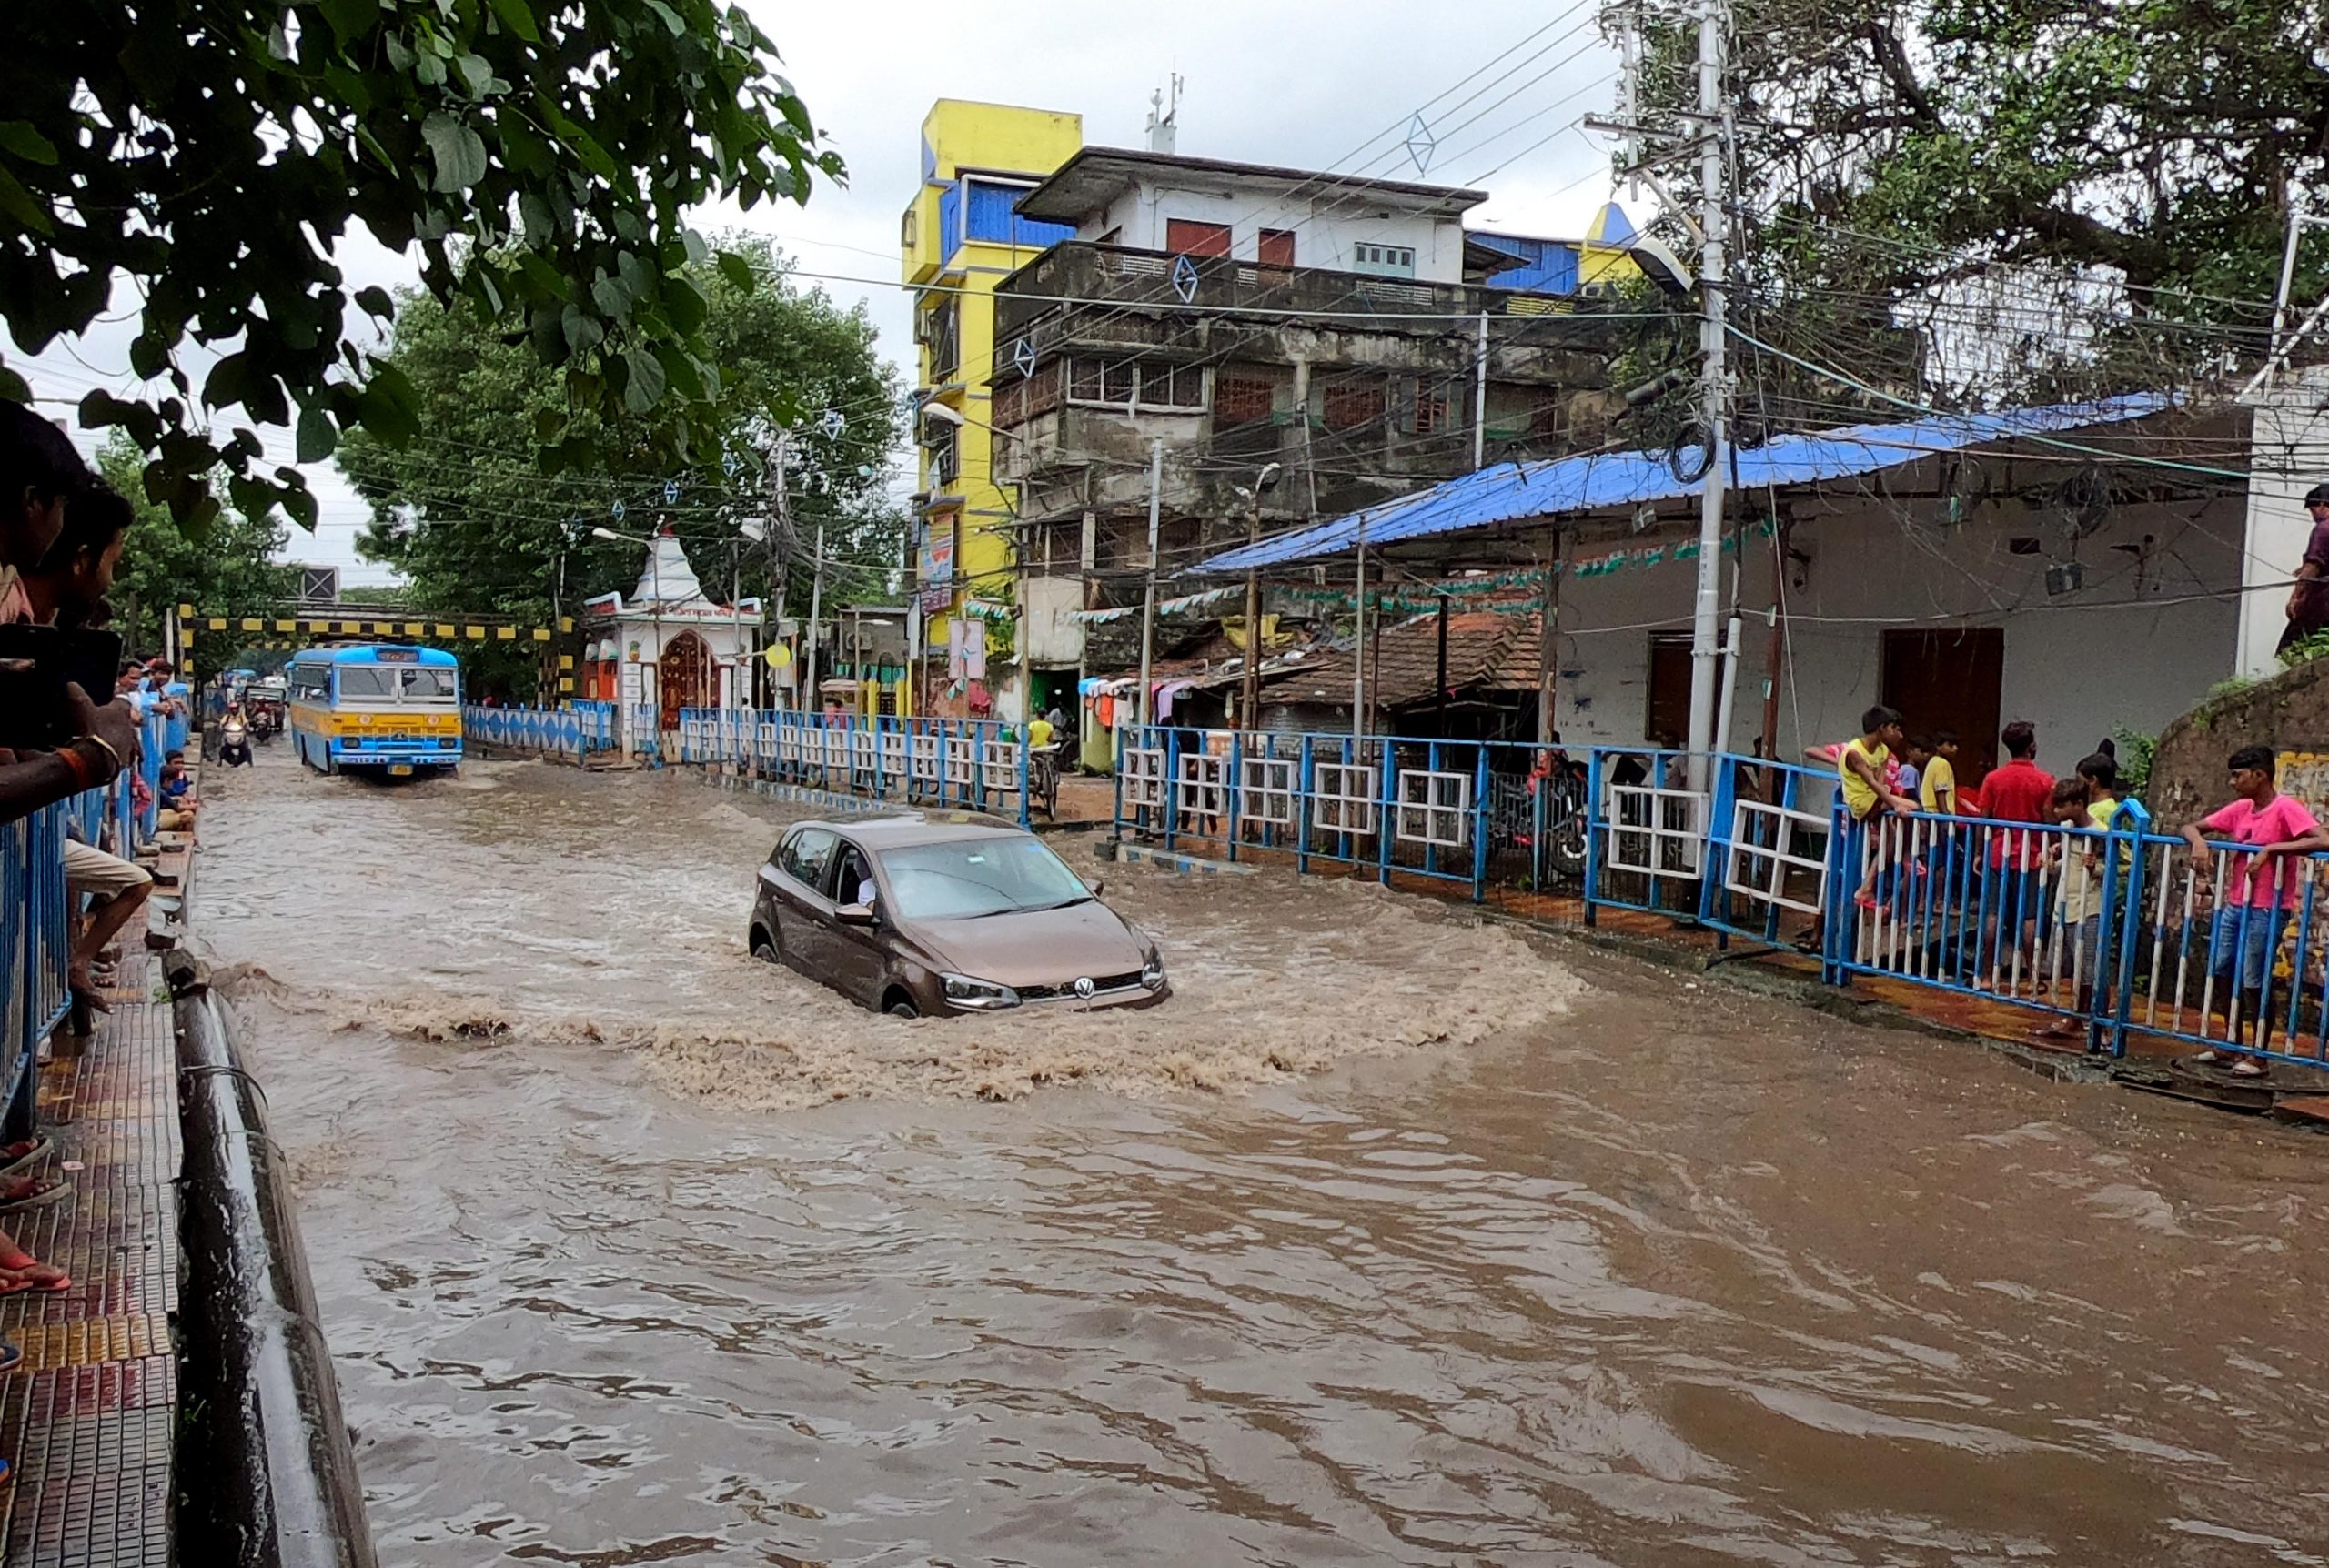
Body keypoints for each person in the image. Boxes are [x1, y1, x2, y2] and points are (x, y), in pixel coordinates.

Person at [2182, 744, 2329, 1074]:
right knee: (2221, 970)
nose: (2233, 782)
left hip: (2266, 907)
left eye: (2239, 775)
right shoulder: (2240, 809)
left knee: (2254, 977)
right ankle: (2231, 1043)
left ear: (2260, 775)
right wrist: (2199, 842)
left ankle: (2258, 1054)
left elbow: (2323, 839)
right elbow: (2192, 827)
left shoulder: (2285, 809)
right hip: (2236, 904)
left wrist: (2274, 848)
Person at [1978, 720, 2056, 984]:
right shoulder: (2045, 780)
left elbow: (1984, 818)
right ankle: (2033, 976)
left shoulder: (1993, 778)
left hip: (1999, 853)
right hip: (2033, 855)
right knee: (2030, 916)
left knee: (1992, 914)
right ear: (2031, 745)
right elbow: (2048, 821)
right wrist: (2053, 847)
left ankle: (1988, 975)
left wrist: (1980, 852)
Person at [1840, 705, 1918, 911]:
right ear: (1882, 728)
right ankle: (1907, 856)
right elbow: (1873, 784)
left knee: (1893, 836)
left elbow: (1881, 783)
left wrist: (1891, 802)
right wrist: (1895, 804)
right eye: (1894, 728)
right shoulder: (1854, 752)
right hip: (1860, 803)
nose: (1898, 734)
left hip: (1876, 799)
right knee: (1907, 809)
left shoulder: (1883, 751)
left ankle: (1867, 886)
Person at [2277, 482, 2329, 654]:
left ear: (2322, 504)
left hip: (2323, 602)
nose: (2312, 515)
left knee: (2290, 648)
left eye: (2312, 509)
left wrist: (2296, 598)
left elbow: (2313, 567)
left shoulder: (2323, 529)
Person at [157, 751, 197, 831]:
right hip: (161, 814)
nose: (180, 765)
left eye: (182, 763)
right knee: (188, 816)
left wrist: (188, 800)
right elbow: (177, 807)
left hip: (169, 805)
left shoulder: (182, 776)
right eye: (176, 763)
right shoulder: (162, 791)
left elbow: (185, 792)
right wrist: (194, 806)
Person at [218, 702, 252, 769]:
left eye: (235, 709)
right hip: (229, 734)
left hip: (240, 734)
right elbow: (221, 723)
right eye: (233, 709)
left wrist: (248, 728)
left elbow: (246, 723)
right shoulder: (227, 717)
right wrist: (221, 727)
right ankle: (220, 761)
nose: (234, 710)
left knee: (246, 748)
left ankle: (250, 762)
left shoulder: (242, 716)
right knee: (223, 747)